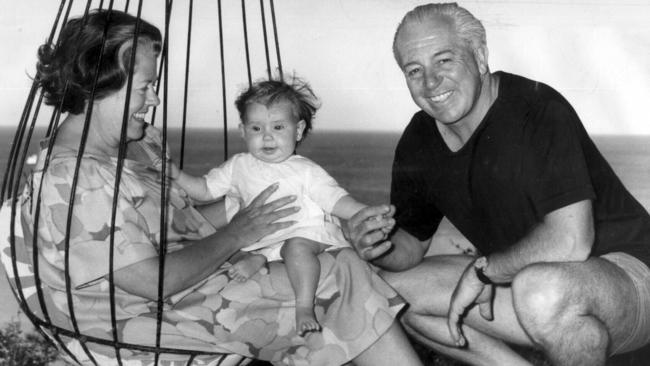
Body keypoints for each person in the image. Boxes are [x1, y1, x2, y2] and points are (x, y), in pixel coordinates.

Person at [20, 9, 424, 366]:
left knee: (343, 265)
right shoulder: (74, 178)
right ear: (97, 84)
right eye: (144, 87)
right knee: (343, 275)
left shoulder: (140, 142)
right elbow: (151, 283)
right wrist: (240, 232)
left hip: (205, 280)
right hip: (151, 318)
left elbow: (184, 222)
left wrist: (275, 207)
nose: (155, 99)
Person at [347, 3, 650, 366]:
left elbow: (571, 240)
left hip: (628, 277)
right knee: (395, 293)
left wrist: (483, 271)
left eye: (444, 61)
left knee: (541, 289)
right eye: (415, 70)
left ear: (479, 55)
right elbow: (411, 244)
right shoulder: (419, 139)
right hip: (521, 284)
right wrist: (377, 245)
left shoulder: (536, 108)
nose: (430, 83)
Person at [163, 78, 385, 336]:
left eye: (278, 127)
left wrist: (361, 214)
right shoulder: (238, 165)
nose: (267, 136)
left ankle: (304, 307)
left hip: (307, 233)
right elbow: (205, 189)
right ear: (243, 131)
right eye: (256, 128)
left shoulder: (305, 170)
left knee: (296, 249)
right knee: (226, 250)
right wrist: (177, 176)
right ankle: (260, 257)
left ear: (298, 130)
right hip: (262, 238)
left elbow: (334, 199)